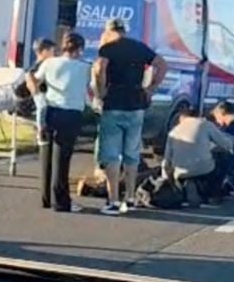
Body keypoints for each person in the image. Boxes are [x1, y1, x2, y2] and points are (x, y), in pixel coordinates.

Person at [92, 17, 168, 215]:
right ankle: (131, 197)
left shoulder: (107, 49)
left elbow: (100, 69)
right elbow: (162, 64)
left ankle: (114, 200)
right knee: (132, 154)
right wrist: (151, 88)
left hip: (114, 103)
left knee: (111, 154)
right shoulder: (139, 47)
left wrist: (101, 92)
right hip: (136, 105)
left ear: (109, 31)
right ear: (124, 30)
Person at [26, 33, 91, 213]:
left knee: (46, 154)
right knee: (62, 159)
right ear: (80, 49)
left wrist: (37, 96)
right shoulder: (85, 67)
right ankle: (61, 202)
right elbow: (92, 88)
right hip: (71, 113)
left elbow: (32, 77)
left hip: (50, 110)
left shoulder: (49, 63)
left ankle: (45, 198)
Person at [162, 105, 234, 205]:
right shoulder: (205, 124)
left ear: (181, 118)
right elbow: (227, 145)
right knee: (225, 156)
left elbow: (166, 162)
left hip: (180, 173)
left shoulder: (173, 132)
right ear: (198, 115)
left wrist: (170, 182)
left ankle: (183, 188)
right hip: (204, 170)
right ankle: (214, 194)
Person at [15, 38, 56, 208]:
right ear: (44, 51)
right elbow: (37, 97)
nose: (54, 54)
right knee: (48, 151)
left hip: (39, 110)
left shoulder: (36, 66)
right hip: (40, 111)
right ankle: (48, 195)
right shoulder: (38, 68)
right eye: (52, 50)